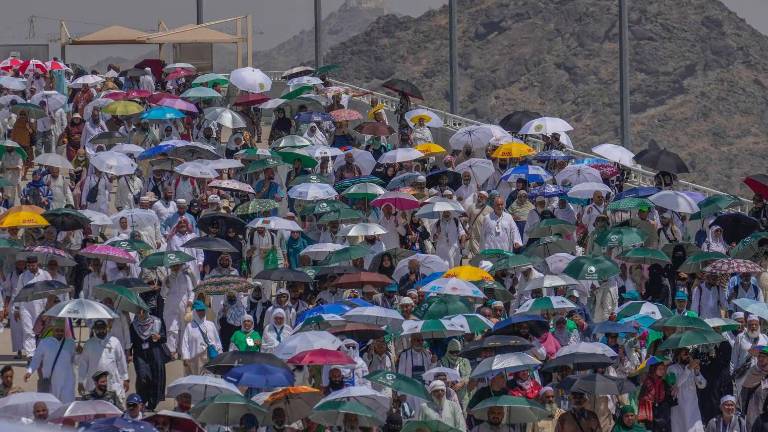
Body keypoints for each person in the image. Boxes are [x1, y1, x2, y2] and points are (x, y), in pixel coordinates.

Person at [78, 319, 130, 407]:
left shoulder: (115, 342)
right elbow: (83, 364)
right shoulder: (89, 344)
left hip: (112, 383)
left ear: (107, 328)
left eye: (102, 328)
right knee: (95, 410)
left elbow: (121, 361)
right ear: (94, 330)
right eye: (97, 329)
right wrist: (80, 382)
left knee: (115, 410)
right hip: (94, 385)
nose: (100, 331)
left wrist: (125, 378)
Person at [25, 320, 76, 403]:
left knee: (67, 405)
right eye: (57, 330)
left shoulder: (70, 342)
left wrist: (79, 353)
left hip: (67, 381)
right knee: (52, 406)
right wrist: (30, 371)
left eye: (61, 331)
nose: (59, 333)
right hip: (51, 381)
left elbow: (75, 361)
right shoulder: (45, 342)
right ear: (53, 330)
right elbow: (36, 359)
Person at [128, 308, 168, 411]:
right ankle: (141, 400)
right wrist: (129, 353)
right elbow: (131, 341)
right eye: (139, 311)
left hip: (154, 353)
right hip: (140, 354)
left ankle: (151, 404)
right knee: (142, 377)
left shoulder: (157, 322)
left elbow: (164, 338)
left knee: (155, 378)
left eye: (143, 311)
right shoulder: (134, 325)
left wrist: (159, 337)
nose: (141, 314)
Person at [669, 348, 707, 432]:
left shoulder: (692, 368)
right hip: (680, 409)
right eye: (685, 354)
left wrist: (697, 372)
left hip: (693, 409)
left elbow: (702, 385)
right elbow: (675, 385)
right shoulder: (672, 369)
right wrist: (689, 368)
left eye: (688, 354)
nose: (688, 356)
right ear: (678, 356)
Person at [180, 300, 222, 375]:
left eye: (203, 310)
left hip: (210, 358)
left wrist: (220, 354)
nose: (201, 312)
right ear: (194, 311)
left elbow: (217, 341)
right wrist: (186, 357)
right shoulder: (189, 326)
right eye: (199, 310)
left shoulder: (211, 324)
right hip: (195, 360)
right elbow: (185, 344)